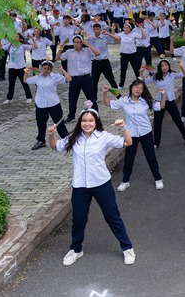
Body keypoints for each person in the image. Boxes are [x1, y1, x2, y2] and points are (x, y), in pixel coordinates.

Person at [49, 103, 136, 266]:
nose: (87, 124)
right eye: (84, 121)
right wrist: (51, 134)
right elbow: (55, 146)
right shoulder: (73, 138)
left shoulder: (103, 136)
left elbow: (128, 142)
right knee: (78, 219)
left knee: (112, 217)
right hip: (80, 186)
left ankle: (127, 247)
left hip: (101, 184)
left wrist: (123, 127)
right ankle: (76, 249)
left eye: (90, 121)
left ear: (96, 122)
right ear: (79, 122)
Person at [102, 80, 167, 191]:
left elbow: (161, 106)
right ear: (131, 87)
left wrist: (163, 95)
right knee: (129, 158)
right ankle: (125, 181)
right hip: (131, 134)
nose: (138, 90)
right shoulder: (124, 101)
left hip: (145, 132)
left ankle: (158, 178)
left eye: (141, 89)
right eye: (136, 87)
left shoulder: (146, 101)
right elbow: (108, 104)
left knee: (151, 157)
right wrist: (104, 93)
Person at [143, 59, 185, 148]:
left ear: (168, 66)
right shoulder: (156, 76)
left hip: (170, 101)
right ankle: (156, 142)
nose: (164, 67)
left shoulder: (172, 74)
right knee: (157, 123)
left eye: (166, 65)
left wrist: (181, 66)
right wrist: (141, 72)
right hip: (159, 102)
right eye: (162, 66)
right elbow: (143, 81)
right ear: (159, 68)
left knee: (177, 119)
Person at [25, 60, 70, 150]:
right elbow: (25, 81)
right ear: (41, 68)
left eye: (48, 69)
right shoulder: (38, 77)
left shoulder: (55, 77)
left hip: (53, 103)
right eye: (44, 68)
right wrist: (26, 72)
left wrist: (62, 69)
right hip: (41, 104)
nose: (46, 71)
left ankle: (67, 139)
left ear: (51, 70)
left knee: (58, 122)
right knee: (40, 123)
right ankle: (41, 140)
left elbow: (68, 79)